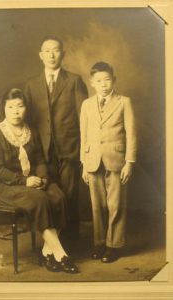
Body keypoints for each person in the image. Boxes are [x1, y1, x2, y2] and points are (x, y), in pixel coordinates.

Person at [0, 88, 79, 273]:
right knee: (40, 199)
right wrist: (24, 181)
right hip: (9, 186)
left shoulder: (31, 131)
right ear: (4, 109)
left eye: (20, 106)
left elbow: (39, 161)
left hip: (33, 182)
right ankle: (61, 254)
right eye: (11, 107)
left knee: (58, 196)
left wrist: (43, 179)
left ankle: (46, 251)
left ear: (26, 108)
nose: (15, 111)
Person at [24, 36, 88, 251]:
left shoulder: (74, 80)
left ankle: (70, 245)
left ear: (63, 54)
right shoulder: (31, 85)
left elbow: (84, 117)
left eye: (56, 50)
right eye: (47, 51)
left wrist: (84, 151)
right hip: (42, 152)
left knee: (69, 196)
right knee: (49, 196)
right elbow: (28, 121)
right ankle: (51, 246)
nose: (52, 55)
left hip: (69, 148)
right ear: (40, 55)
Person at [80, 62, 137, 263]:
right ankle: (99, 243)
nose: (103, 84)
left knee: (116, 205)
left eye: (107, 80)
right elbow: (83, 135)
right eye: (98, 81)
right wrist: (84, 164)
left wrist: (129, 162)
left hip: (116, 160)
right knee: (97, 206)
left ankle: (114, 245)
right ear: (92, 83)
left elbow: (131, 134)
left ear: (114, 80)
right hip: (93, 160)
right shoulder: (87, 105)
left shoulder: (124, 102)